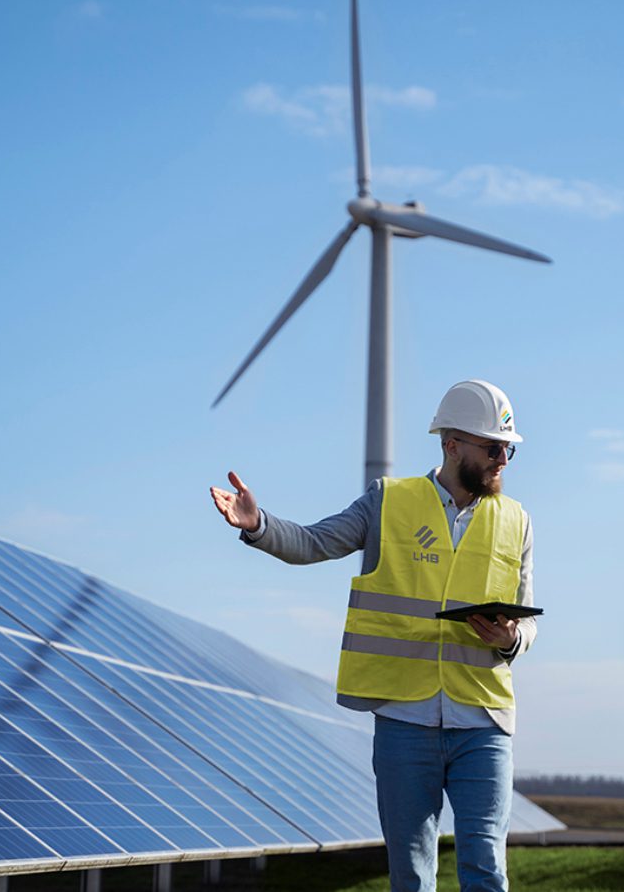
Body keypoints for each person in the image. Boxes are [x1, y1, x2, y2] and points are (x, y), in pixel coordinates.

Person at [210, 379, 536, 892]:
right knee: (411, 875)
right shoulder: (388, 501)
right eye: (493, 447)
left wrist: (511, 639)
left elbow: (528, 622)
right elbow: (314, 542)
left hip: (484, 719)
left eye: (508, 450)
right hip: (404, 719)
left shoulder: (517, 520)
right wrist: (258, 525)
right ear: (452, 444)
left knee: (486, 870)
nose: (503, 460)